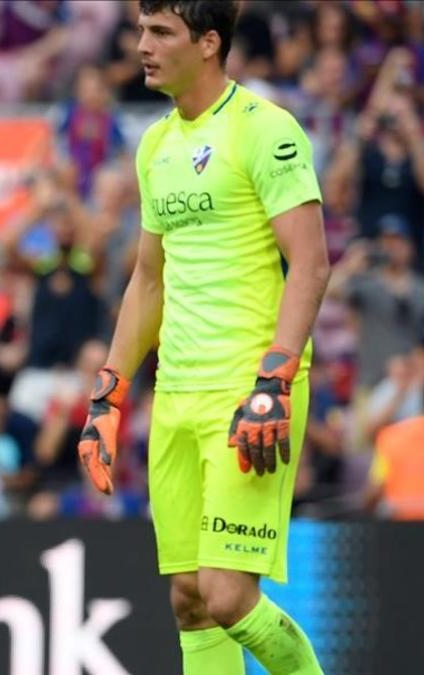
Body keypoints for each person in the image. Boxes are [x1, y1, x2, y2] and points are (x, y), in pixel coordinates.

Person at [77, 2, 329, 674]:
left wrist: (273, 380)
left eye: (161, 32)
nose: (142, 47)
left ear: (209, 42)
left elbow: (310, 261)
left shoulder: (266, 130)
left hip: (248, 394)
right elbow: (148, 280)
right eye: (139, 31)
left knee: (228, 593)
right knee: (189, 597)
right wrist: (107, 399)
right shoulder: (155, 143)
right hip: (178, 396)